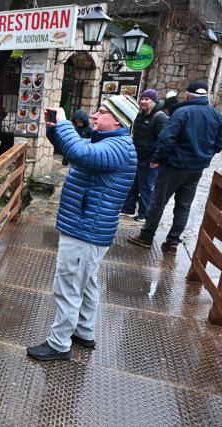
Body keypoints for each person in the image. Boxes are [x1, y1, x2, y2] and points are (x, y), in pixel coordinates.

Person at [27, 95, 138, 361]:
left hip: (85, 229)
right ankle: (84, 331)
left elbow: (80, 152)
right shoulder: (108, 142)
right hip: (88, 228)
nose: (95, 116)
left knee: (67, 286)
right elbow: (73, 149)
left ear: (119, 120)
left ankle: (59, 344)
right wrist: (55, 129)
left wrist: (65, 124)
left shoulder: (119, 147)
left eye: (102, 112)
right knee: (85, 283)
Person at [128, 80, 222, 254]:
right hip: (196, 169)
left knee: (158, 201)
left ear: (187, 95)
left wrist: (157, 158)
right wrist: (206, 154)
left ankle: (147, 237)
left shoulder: (182, 112)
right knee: (184, 205)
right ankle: (172, 243)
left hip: (174, 165)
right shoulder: (216, 115)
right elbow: (219, 142)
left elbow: (167, 139)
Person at [121, 89, 168, 222]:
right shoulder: (139, 115)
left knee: (146, 188)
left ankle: (144, 214)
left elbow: (163, 141)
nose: (143, 101)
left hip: (150, 160)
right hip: (136, 157)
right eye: (142, 98)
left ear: (153, 101)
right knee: (132, 185)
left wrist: (156, 159)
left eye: (147, 99)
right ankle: (128, 209)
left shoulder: (160, 117)